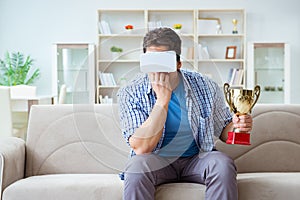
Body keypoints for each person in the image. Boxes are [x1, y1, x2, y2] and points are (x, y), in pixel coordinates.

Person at [117, 27, 253, 200]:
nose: (157, 69)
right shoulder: (130, 92)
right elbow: (141, 148)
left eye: (163, 60)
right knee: (136, 167)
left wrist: (238, 126)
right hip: (156, 160)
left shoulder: (205, 86)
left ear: (178, 63)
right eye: (151, 60)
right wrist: (162, 101)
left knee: (222, 164)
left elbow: (224, 130)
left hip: (197, 159)